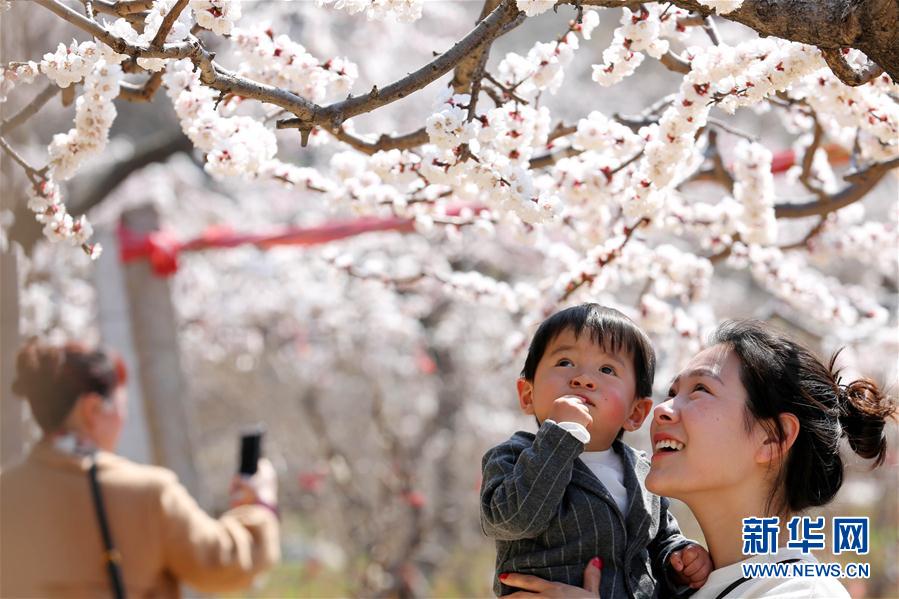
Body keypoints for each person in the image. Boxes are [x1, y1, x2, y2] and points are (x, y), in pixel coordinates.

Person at [501, 320, 895, 598]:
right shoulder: (677, 584)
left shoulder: (798, 593)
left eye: (701, 390)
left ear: (773, 439)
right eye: (672, 392)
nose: (663, 410)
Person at [0, 339, 281, 598]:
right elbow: (222, 564)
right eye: (122, 406)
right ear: (93, 409)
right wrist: (260, 507)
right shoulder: (148, 494)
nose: (123, 419)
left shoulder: (7, 490)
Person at [480, 304, 712, 598]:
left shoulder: (644, 472)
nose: (582, 379)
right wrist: (561, 437)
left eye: (606, 369)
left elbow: (659, 539)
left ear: (636, 413)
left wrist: (679, 556)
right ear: (528, 395)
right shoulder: (511, 457)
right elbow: (513, 520)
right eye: (565, 362)